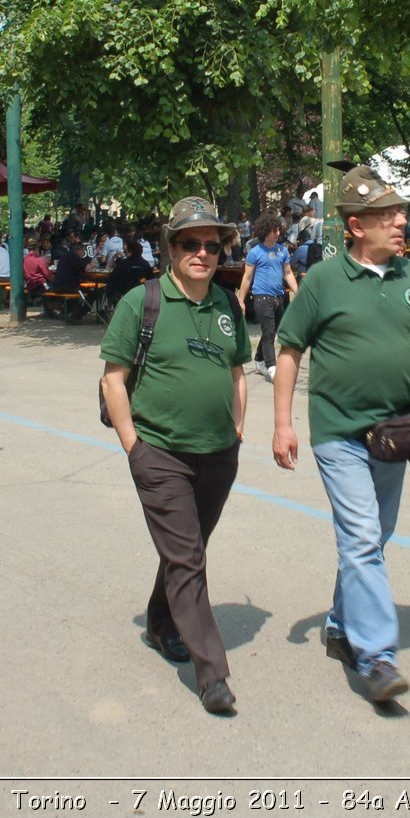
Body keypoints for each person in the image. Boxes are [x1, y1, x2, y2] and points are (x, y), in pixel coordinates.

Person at [273, 164, 410, 702]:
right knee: (361, 537)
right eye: (389, 215)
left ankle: (340, 626)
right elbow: (288, 352)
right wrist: (283, 424)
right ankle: (376, 655)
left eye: (401, 213)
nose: (403, 222)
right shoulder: (325, 281)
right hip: (337, 432)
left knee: (375, 537)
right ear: (357, 225)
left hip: (395, 433)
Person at [100, 198, 249, 715]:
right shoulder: (142, 302)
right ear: (171, 249)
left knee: (189, 547)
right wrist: (133, 446)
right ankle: (212, 673)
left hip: (217, 452)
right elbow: (113, 378)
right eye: (192, 243)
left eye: (213, 245)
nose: (203, 253)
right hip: (159, 451)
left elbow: (236, 373)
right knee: (187, 555)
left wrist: (237, 430)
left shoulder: (228, 304)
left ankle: (161, 622)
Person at [238, 215, 298, 381]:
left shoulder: (282, 250)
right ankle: (272, 367)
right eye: (274, 230)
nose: (277, 233)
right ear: (265, 231)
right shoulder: (255, 252)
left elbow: (288, 273)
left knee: (270, 331)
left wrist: (298, 292)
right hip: (261, 297)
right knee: (269, 332)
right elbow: (247, 277)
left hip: (279, 297)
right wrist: (241, 300)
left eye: (279, 230)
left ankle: (259, 360)